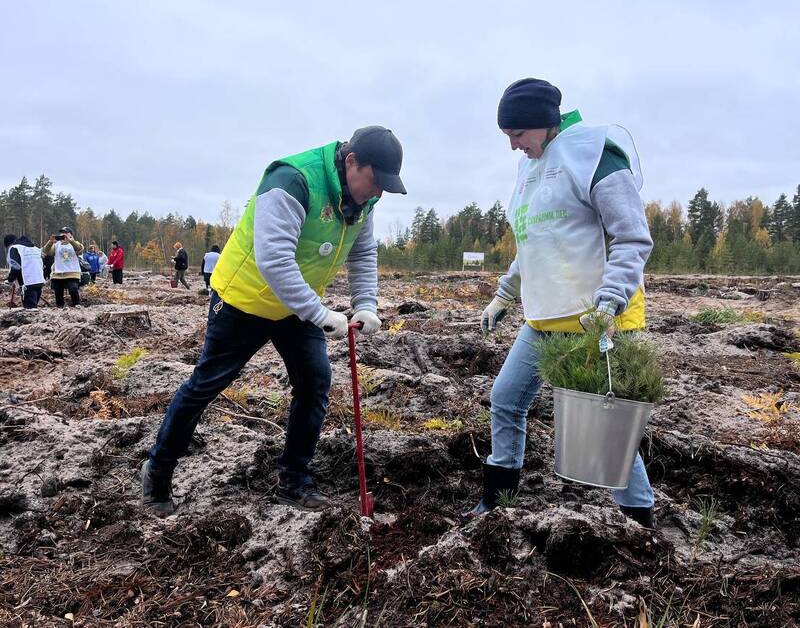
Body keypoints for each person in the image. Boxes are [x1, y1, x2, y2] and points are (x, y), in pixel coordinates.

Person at [142, 125, 406, 516]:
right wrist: (319, 315)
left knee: (314, 383)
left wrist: (365, 303)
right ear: (351, 162)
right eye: (375, 181)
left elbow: (362, 253)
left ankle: (294, 481)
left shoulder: (363, 200)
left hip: (294, 307)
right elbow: (274, 260)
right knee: (207, 385)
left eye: (385, 185)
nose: (378, 192)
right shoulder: (292, 182)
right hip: (243, 300)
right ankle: (158, 470)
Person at [470, 78, 655, 528]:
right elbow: (535, 241)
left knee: (603, 426)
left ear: (542, 123)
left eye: (517, 135)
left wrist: (609, 303)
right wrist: (503, 295)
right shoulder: (531, 167)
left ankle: (639, 519)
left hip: (596, 319)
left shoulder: (595, 155)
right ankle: (498, 499)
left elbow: (632, 237)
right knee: (506, 398)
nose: (513, 146)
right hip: (544, 315)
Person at [42, 226, 84, 308]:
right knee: (58, 290)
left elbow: (79, 249)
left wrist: (71, 241)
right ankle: (60, 306)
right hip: (58, 272)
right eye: (62, 233)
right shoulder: (56, 245)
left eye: (65, 233)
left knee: (73, 289)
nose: (63, 235)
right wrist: (50, 242)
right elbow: (46, 251)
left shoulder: (76, 243)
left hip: (72, 272)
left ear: (71, 235)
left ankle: (77, 304)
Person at [8, 236, 45, 308]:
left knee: (30, 309)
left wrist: (10, 279)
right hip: (39, 281)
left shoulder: (16, 248)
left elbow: (15, 266)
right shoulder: (36, 249)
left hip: (27, 283)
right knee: (34, 307)